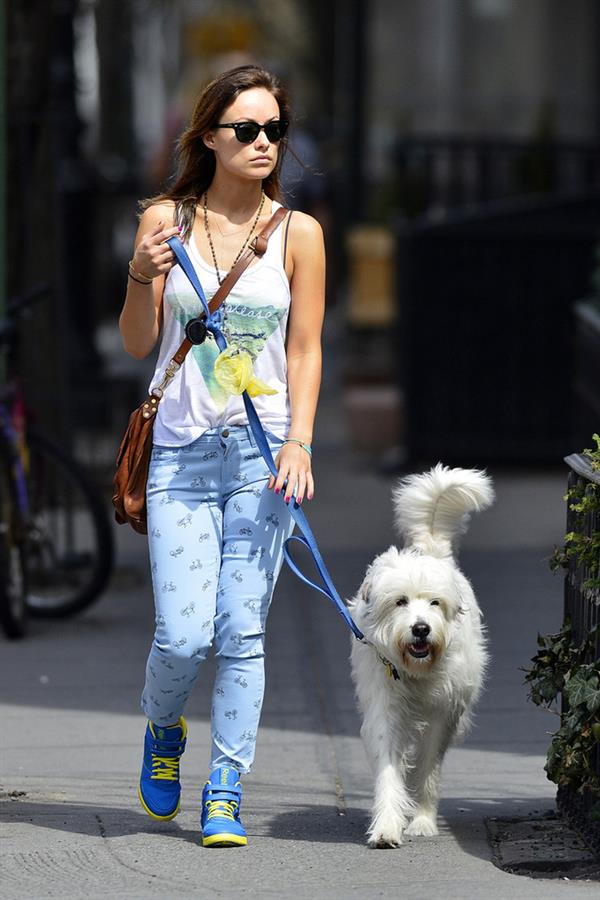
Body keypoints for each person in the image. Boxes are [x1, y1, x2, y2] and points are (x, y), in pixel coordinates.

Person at [119, 65, 325, 848]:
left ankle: (226, 789)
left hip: (263, 455)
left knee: (242, 631)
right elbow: (139, 340)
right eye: (247, 130)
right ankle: (162, 725)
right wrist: (144, 271)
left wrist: (300, 440)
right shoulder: (166, 217)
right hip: (179, 451)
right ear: (209, 136)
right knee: (183, 635)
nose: (265, 142)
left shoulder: (298, 234)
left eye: (275, 128)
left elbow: (304, 352)